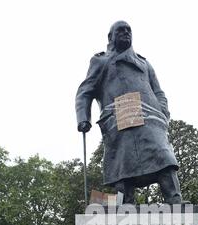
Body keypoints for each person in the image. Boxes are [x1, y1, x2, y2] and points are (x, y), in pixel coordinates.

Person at [76, 21, 182, 204]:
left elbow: (158, 92)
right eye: (120, 30)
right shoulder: (100, 61)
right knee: (122, 166)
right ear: (110, 37)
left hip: (150, 119)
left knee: (164, 157)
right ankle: (126, 206)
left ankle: (174, 200)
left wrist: (163, 112)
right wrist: (83, 117)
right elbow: (85, 91)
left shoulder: (144, 63)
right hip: (120, 119)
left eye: (128, 30)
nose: (126, 33)